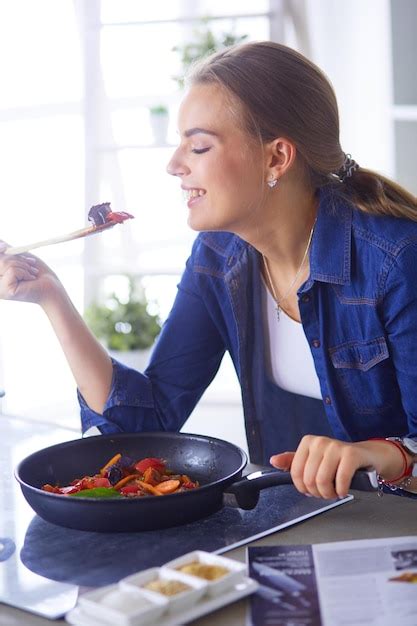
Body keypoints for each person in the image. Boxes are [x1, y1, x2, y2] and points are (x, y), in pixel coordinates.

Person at [1, 41, 416, 500]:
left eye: (198, 146)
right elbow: (147, 421)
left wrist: (388, 454)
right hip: (293, 522)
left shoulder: (396, 260)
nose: (174, 165)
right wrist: (51, 296)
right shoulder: (218, 256)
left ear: (276, 157)